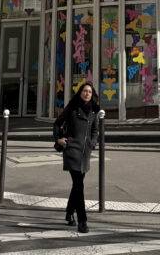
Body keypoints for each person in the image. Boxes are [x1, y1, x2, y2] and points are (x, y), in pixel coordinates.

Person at [53, 81, 102, 233]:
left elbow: (95, 130)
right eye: (84, 91)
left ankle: (69, 213)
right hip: (72, 150)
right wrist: (58, 139)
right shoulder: (73, 108)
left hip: (85, 152)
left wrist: (92, 143)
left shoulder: (94, 111)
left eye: (89, 91)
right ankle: (82, 221)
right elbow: (57, 124)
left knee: (77, 186)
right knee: (79, 186)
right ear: (80, 92)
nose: (87, 93)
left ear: (92, 94)